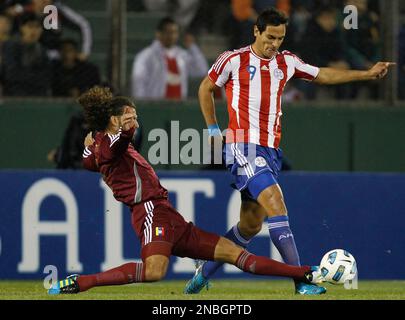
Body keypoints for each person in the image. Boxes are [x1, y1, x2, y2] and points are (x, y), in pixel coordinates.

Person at [184, 7, 394, 295]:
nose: (274, 44)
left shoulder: (287, 62)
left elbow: (322, 75)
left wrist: (366, 74)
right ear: (256, 31)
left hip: (270, 150)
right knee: (276, 203)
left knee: (250, 225)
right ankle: (301, 281)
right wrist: (211, 129)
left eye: (280, 38)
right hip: (242, 145)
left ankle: (203, 272)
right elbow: (205, 88)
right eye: (270, 37)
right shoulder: (233, 59)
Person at [47, 86, 324, 295]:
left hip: (168, 216)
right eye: (129, 114)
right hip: (150, 212)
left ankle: (305, 275)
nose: (134, 119)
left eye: (135, 114)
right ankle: (82, 282)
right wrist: (124, 131)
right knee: (155, 271)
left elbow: (89, 161)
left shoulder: (98, 146)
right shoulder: (110, 144)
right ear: (113, 119)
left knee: (235, 254)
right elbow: (115, 145)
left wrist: (95, 143)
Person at [130, 17, 208, 100]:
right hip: (155, 106)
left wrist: (192, 47)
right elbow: (138, 82)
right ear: (158, 34)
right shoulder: (146, 56)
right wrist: (142, 105)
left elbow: (201, 70)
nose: (172, 36)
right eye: (168, 32)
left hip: (179, 105)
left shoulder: (181, 55)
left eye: (174, 32)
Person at [1, 12, 51, 96]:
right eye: (30, 26)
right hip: (14, 95)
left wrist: (26, 75)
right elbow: (11, 74)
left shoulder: (42, 50)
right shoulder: (10, 46)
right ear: (22, 28)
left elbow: (47, 78)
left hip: (38, 96)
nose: (34, 31)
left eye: (37, 27)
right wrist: (36, 77)